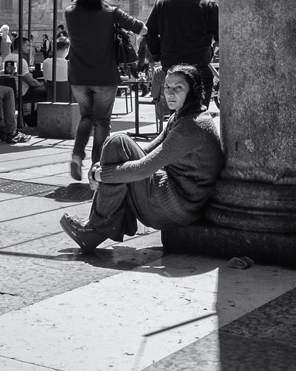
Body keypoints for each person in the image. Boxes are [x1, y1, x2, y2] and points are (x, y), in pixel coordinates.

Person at [60, 64, 224, 252]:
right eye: (167, 86)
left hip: (177, 207)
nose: (170, 93)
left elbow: (144, 167)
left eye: (178, 87)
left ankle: (96, 229)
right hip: (175, 200)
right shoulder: (182, 115)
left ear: (192, 91)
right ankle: (98, 226)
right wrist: (99, 166)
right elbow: (146, 151)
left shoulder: (192, 127)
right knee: (118, 143)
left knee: (118, 143)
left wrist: (101, 175)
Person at [64, 0, 144, 182]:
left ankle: (77, 155)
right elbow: (142, 29)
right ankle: (96, 167)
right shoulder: (111, 13)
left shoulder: (69, 13)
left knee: (86, 117)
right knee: (102, 122)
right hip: (104, 76)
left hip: (78, 76)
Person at [145, 0, 219, 106]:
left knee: (177, 111)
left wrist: (158, 54)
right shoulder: (208, 4)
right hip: (198, 67)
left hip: (172, 67)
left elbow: (149, 31)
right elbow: (221, 36)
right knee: (199, 111)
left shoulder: (162, 2)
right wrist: (212, 49)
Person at [2, 36, 46, 122]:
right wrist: (42, 84)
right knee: (49, 92)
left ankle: (31, 117)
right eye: (27, 45)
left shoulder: (7, 58)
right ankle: (34, 119)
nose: (29, 48)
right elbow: (31, 82)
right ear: (21, 46)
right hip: (22, 93)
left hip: (13, 91)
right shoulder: (20, 61)